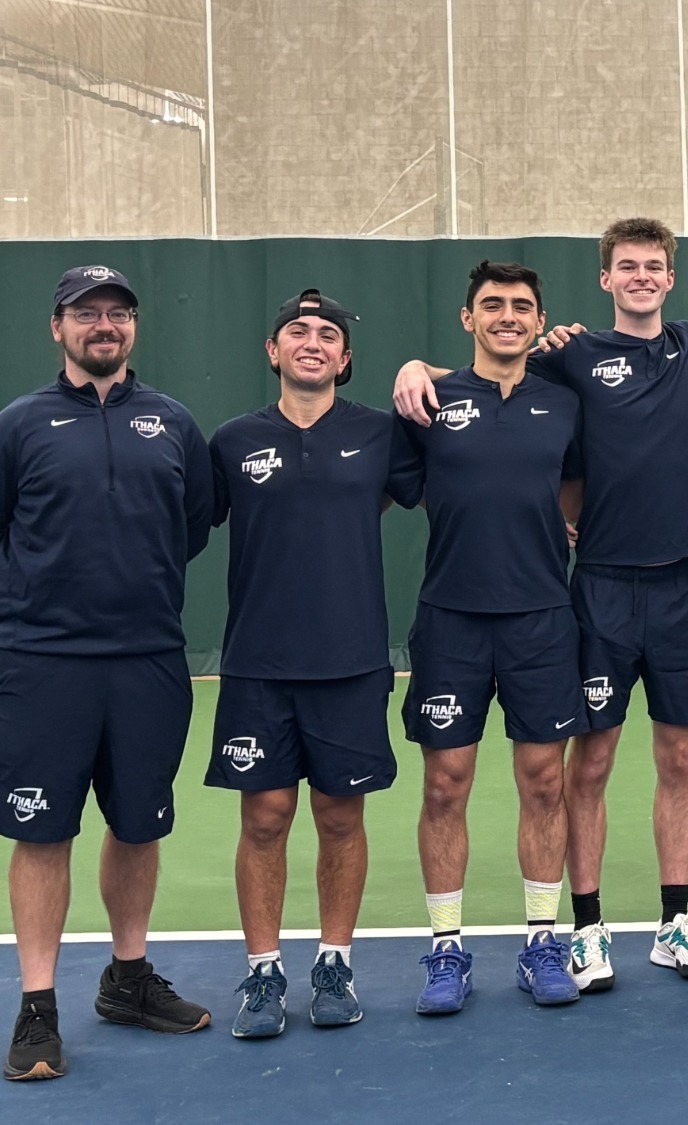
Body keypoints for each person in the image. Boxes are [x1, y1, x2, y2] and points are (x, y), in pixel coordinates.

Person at [394, 219, 688, 989]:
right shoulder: (570, 359)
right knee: (585, 764)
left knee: (680, 757)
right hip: (596, 591)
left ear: (671, 276)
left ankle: (674, 922)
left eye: (654, 265)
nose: (642, 276)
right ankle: (583, 930)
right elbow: (488, 376)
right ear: (605, 278)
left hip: (683, 585)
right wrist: (413, 365)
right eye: (627, 265)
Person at [3, 265, 215, 1082]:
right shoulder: (19, 424)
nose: (104, 324)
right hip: (42, 663)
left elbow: (192, 526)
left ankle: (128, 979)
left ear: (132, 327)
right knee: (42, 831)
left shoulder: (174, 423)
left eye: (118, 313)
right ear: (57, 327)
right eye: (86, 312)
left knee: (137, 824)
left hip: (147, 659)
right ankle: (37, 1006)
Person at [207, 290, 422, 1038]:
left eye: (328, 334)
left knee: (339, 815)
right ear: (273, 351)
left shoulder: (380, 434)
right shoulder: (234, 440)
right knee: (265, 817)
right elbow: (181, 521)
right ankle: (264, 972)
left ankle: (335, 964)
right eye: (297, 331)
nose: (313, 341)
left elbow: (434, 486)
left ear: (345, 357)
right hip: (258, 665)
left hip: (351, 661)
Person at [396, 261, 587, 1013]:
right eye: (493, 304)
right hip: (451, 620)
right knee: (445, 784)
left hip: (542, 619)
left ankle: (542, 942)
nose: (508, 316)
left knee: (544, 781)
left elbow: (573, 485)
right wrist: (414, 368)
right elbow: (406, 487)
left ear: (539, 321)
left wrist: (555, 523)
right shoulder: (429, 399)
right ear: (467, 317)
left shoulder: (564, 403)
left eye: (521, 306)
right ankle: (446, 950)